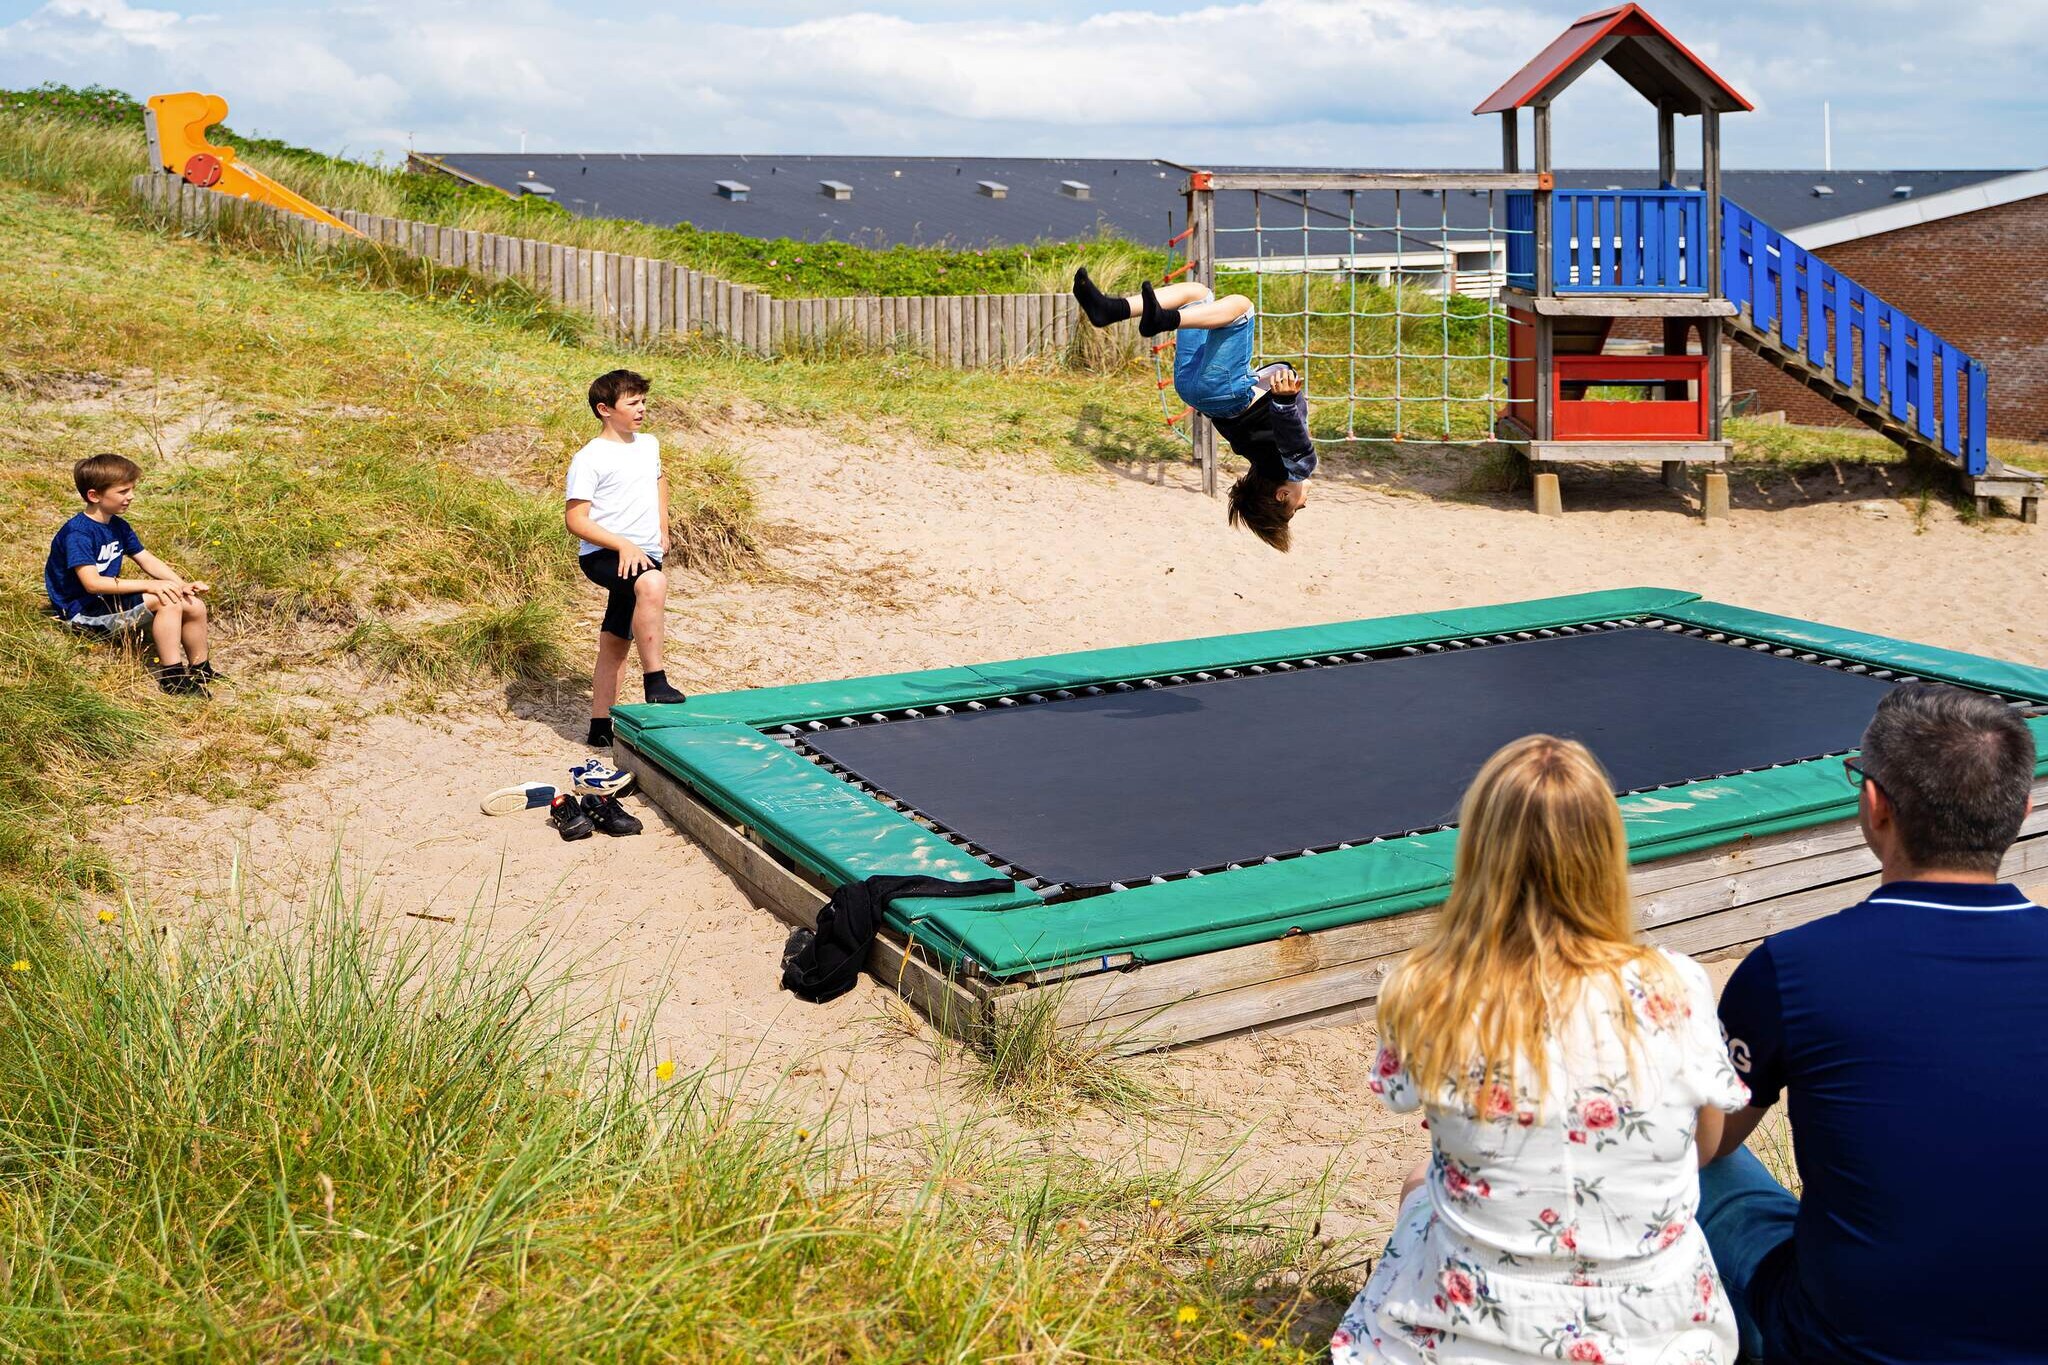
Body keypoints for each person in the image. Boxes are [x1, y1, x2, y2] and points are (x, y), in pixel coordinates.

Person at [1333, 734, 1751, 1365]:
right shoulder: (1676, 983)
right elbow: (1709, 1144)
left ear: (1479, 849)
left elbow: (1410, 1106)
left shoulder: (1425, 989)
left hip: (1475, 1327)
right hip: (1654, 1333)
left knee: (1421, 1184)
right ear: (1605, 851)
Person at [1702, 682, 2043, 1363]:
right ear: (2021, 808)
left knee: (1698, 1171)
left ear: (1874, 804)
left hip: (1840, 1345)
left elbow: (1696, 1144)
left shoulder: (1792, 969)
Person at [1072, 267, 1314, 551]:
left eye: (1295, 510)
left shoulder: (1299, 468)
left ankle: (1164, 320)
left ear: (1282, 496)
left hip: (1224, 392)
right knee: (1197, 294)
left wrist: (1285, 403)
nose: (1304, 505)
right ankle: (1111, 309)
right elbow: (1265, 431)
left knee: (1241, 309)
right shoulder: (1260, 459)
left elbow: (1292, 436)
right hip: (1194, 393)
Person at [565, 368, 688, 754]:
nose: (641, 409)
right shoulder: (589, 458)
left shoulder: (648, 444)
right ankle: (656, 680)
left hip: (644, 551)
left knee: (616, 639)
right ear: (605, 409)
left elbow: (658, 479)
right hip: (604, 554)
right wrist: (622, 545)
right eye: (632, 403)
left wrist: (662, 528)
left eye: (643, 402)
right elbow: (575, 521)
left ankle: (600, 726)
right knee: (652, 583)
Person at [44, 452, 217, 696]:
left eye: (131, 489)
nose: (131, 496)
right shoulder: (78, 534)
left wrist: (181, 583)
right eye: (123, 491)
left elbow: (145, 558)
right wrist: (151, 586)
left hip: (107, 602)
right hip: (82, 613)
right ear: (94, 495)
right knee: (167, 600)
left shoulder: (117, 525)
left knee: (193, 604)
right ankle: (173, 677)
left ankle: (201, 669)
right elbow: (92, 584)